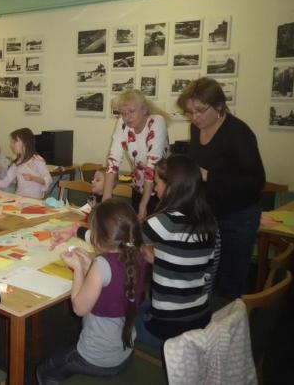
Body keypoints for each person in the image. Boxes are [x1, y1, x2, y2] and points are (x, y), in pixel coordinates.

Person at [36, 199, 147, 384]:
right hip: (124, 352)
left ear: (99, 237)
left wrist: (78, 269)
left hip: (97, 359)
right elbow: (113, 285)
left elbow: (79, 308)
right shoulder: (137, 254)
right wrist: (90, 266)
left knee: (44, 371)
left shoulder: (102, 265)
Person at [177, 77, 265, 299]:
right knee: (208, 273)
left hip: (238, 215)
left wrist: (209, 175)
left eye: (200, 110)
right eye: (189, 112)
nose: (194, 117)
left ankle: (232, 317)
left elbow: (255, 182)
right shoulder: (196, 128)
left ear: (218, 106)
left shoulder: (238, 133)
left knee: (231, 278)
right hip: (209, 212)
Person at [136, 155, 220, 347]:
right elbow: (205, 272)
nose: (155, 190)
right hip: (200, 320)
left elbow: (121, 240)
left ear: (172, 188)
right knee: (144, 305)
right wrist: (160, 260)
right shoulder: (209, 223)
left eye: (157, 183)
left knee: (125, 315)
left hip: (167, 329)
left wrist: (82, 232)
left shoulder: (164, 222)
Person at [102, 89, 170, 220]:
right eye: (123, 113)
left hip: (161, 189)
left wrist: (143, 205)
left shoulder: (156, 122)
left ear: (144, 109)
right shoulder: (122, 123)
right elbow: (114, 159)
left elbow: (152, 165)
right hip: (138, 186)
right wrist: (106, 198)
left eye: (131, 111)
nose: (127, 117)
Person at [0, 128, 52, 199]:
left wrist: (33, 178)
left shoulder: (37, 160)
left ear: (25, 143)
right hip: (19, 198)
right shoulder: (17, 163)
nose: (11, 145)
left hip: (34, 200)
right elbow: (7, 180)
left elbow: (48, 180)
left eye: (14, 142)